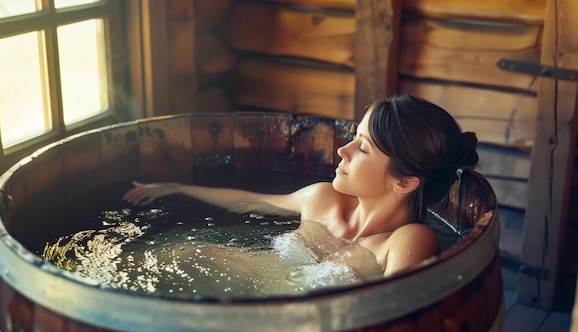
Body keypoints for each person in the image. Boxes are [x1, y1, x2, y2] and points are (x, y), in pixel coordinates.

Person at [123, 94, 478, 277]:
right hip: (257, 293)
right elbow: (250, 201)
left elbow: (398, 309)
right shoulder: (321, 200)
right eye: (354, 136)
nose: (343, 149)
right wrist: (178, 188)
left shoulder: (408, 240)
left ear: (405, 181)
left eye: (363, 147)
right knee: (177, 251)